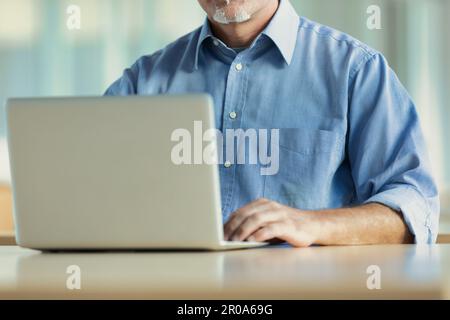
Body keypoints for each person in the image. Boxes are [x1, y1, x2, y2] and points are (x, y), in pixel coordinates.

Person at [105, 0, 439, 246]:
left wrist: (312, 225)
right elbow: (84, 193)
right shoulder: (142, 83)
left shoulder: (356, 71)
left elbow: (415, 206)